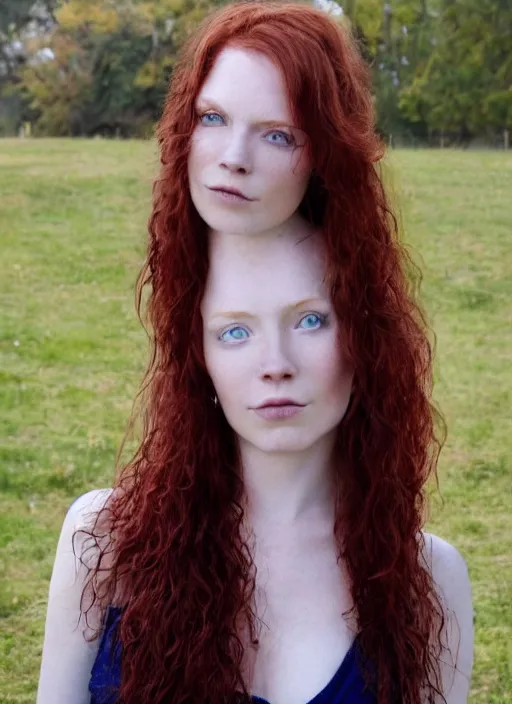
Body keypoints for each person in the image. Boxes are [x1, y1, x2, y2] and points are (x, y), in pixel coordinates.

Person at [36, 2, 474, 703]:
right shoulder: (103, 546)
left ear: (366, 335)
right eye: (233, 330)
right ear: (197, 353)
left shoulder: (427, 585)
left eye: (310, 321)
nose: (275, 362)